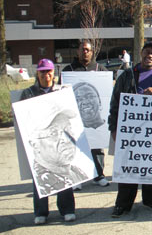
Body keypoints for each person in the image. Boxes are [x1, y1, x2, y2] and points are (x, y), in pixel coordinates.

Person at [108, 41, 152, 218]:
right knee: (128, 168)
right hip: (129, 132)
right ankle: (123, 204)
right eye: (147, 52)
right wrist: (113, 128)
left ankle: (151, 200)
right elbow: (115, 102)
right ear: (141, 53)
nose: (150, 56)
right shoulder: (127, 75)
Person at [20, 58, 77, 224]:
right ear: (37, 73)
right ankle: (41, 212)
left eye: (49, 71)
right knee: (39, 176)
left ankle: (67, 209)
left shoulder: (62, 91)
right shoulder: (28, 93)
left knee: (65, 175)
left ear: (54, 73)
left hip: (61, 141)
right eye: (42, 71)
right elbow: (22, 118)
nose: (46, 74)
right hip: (40, 142)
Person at [62, 41, 110, 189]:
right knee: (75, 147)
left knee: (96, 148)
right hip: (74, 118)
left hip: (94, 120)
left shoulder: (100, 69)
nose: (85, 52)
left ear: (92, 52)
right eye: (83, 49)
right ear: (78, 51)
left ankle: (98, 175)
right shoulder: (68, 70)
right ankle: (77, 178)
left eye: (88, 50)